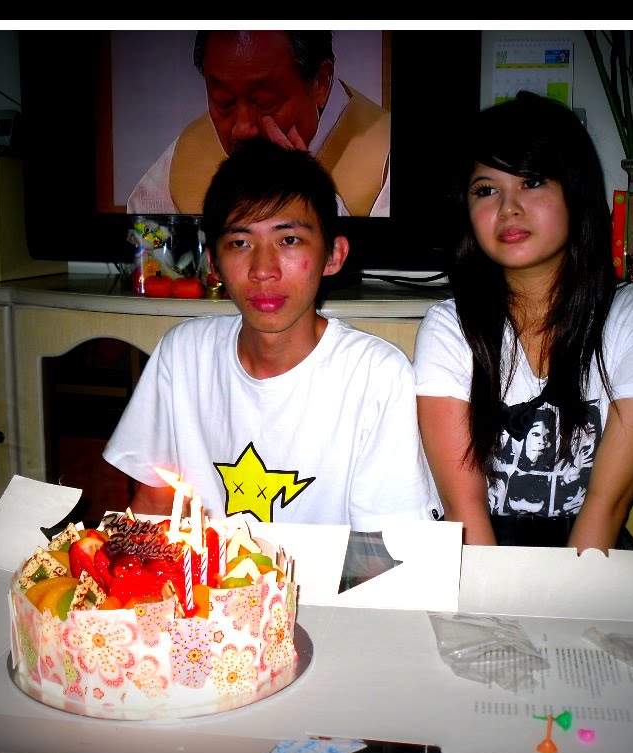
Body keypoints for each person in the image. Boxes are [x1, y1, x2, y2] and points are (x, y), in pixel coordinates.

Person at [105, 138, 438, 529]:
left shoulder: (376, 375)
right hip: (206, 571)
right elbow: (153, 505)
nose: (263, 269)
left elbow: (383, 546)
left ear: (333, 256)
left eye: (289, 240)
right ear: (214, 264)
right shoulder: (183, 354)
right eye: (240, 242)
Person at [411, 91, 633, 553]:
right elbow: (464, 512)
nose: (508, 208)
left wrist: (567, 599)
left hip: (590, 549)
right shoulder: (450, 327)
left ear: (575, 192)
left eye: (533, 181)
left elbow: (606, 508)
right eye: (486, 190)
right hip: (480, 552)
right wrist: (493, 601)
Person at [126, 30, 390, 218]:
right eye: (224, 102)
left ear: (320, 81)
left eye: (264, 102)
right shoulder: (182, 162)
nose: (243, 128)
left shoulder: (384, 154)